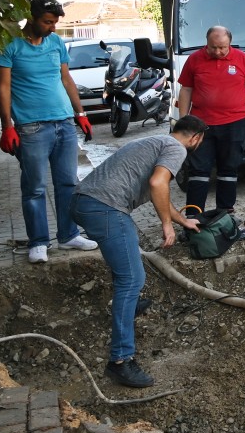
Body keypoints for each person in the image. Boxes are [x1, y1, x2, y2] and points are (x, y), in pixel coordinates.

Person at [71, 115, 208, 387]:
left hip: (85, 202)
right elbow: (160, 184)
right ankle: (120, 361)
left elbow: (160, 193)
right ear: (196, 138)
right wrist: (167, 226)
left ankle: (129, 306)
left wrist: (182, 220)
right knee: (132, 279)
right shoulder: (176, 148)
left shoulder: (155, 141)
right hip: (105, 207)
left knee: (127, 252)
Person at [0, 0, 98, 263]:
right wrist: (7, 127)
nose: (53, 27)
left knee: (68, 183)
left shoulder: (56, 42)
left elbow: (66, 78)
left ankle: (68, 235)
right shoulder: (8, 45)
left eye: (55, 22)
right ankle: (39, 242)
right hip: (31, 127)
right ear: (31, 18)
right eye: (47, 22)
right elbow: (3, 88)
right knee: (35, 188)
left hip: (63, 122)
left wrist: (80, 113)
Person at [175, 26, 245, 218]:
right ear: (206, 43)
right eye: (213, 47)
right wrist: (184, 122)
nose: (217, 52)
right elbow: (186, 90)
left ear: (230, 43)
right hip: (201, 125)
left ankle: (225, 214)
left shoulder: (241, 58)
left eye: (222, 48)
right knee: (198, 170)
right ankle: (193, 217)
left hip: (235, 122)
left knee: (228, 169)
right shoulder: (194, 59)